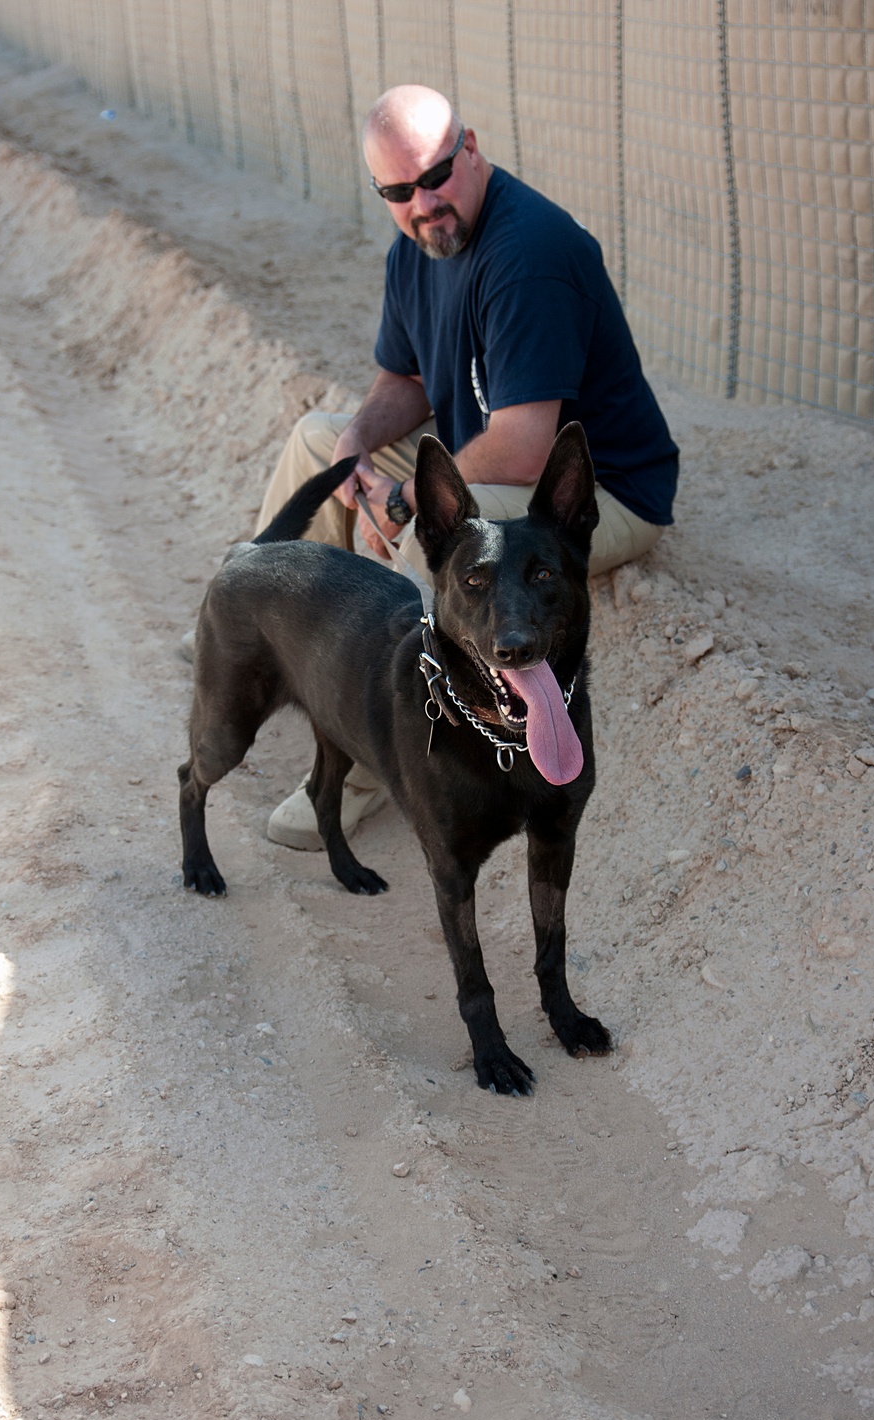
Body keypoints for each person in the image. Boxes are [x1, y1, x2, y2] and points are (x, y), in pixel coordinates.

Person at [252, 84, 679, 851]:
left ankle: (367, 764)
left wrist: (405, 499)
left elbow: (522, 444)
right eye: (399, 190)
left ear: (471, 149)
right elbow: (406, 382)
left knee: (445, 534)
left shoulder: (529, 257)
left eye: (437, 176)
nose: (424, 203)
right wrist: (356, 443)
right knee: (321, 439)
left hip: (600, 494)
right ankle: (258, 626)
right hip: (508, 471)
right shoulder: (416, 248)